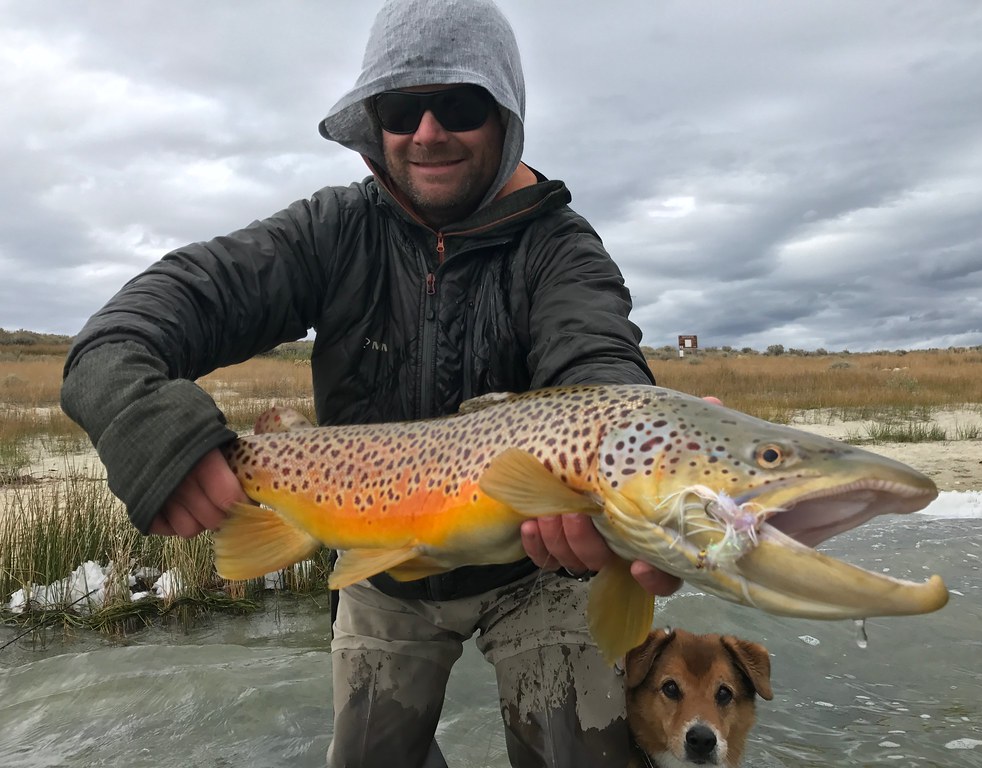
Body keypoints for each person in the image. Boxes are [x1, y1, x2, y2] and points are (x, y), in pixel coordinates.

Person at [61, 1, 680, 765]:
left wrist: (643, 466)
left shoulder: (562, 251)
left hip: (542, 563)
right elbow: (130, 327)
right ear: (372, 123)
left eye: (460, 103)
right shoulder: (331, 231)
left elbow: (599, 366)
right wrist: (141, 415)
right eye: (399, 107)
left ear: (506, 117)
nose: (427, 131)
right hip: (376, 566)